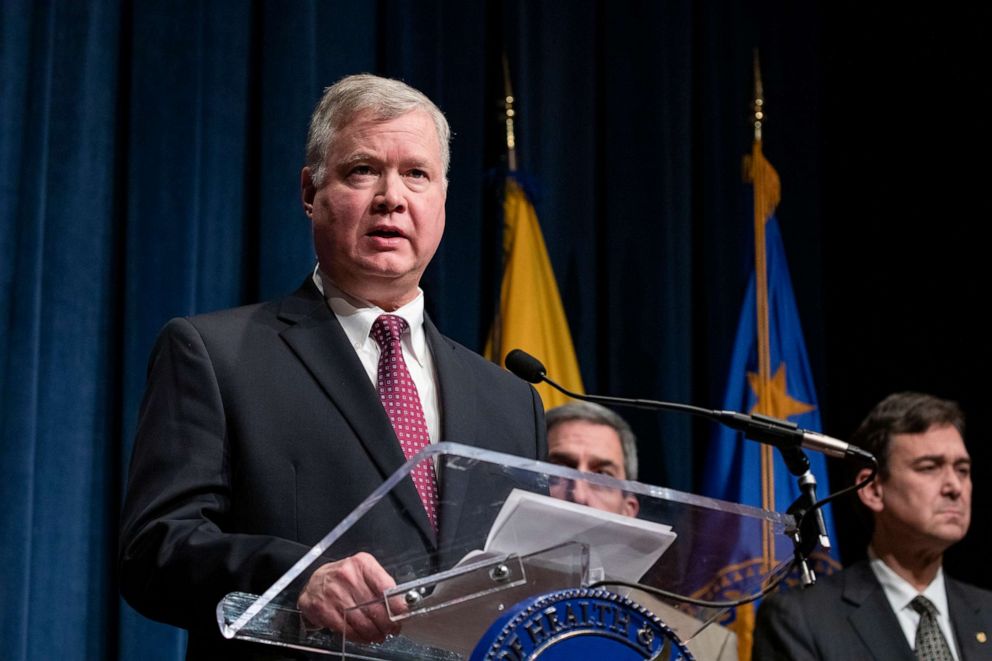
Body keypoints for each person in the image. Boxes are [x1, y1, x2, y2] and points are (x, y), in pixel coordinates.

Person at [119, 74, 546, 659]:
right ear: (309, 192)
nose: (392, 197)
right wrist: (299, 579)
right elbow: (154, 552)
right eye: (362, 170)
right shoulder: (216, 355)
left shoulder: (511, 399)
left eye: (416, 174)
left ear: (443, 199)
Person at [752, 391, 992, 660]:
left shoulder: (987, 611)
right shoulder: (801, 620)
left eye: (962, 470)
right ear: (873, 490)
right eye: (929, 467)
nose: (954, 487)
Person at [545, 401, 739, 661]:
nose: (579, 495)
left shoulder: (706, 646)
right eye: (559, 469)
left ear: (629, 509)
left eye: (602, 475)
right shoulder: (475, 605)